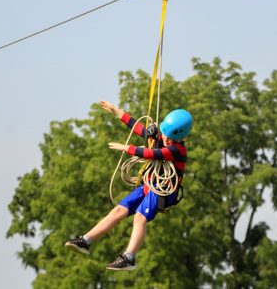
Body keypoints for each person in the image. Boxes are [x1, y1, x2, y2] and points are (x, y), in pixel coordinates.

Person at [65, 100, 192, 270]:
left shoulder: (178, 150)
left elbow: (152, 154)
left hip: (163, 191)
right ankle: (85, 241)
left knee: (140, 217)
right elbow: (138, 128)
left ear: (181, 137)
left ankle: (129, 258)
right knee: (118, 210)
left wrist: (127, 148)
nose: (167, 140)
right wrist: (115, 111)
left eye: (171, 138)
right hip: (149, 185)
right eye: (165, 135)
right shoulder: (161, 137)